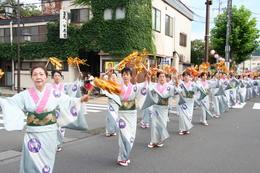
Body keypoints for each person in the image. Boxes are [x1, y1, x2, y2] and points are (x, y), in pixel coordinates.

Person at [0, 66, 89, 173]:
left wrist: (80, 99)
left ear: (46, 77)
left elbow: (68, 101)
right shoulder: (24, 95)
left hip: (49, 133)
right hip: (32, 134)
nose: (38, 77)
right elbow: (9, 103)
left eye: (41, 74)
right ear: (32, 77)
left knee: (46, 163)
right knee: (30, 162)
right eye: (35, 74)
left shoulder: (54, 93)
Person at [147, 71, 175, 148]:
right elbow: (149, 89)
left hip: (164, 108)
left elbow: (175, 92)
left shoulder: (169, 87)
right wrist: (149, 79)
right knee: (154, 124)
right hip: (156, 107)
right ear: (157, 78)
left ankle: (159, 141)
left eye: (163, 76)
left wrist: (177, 83)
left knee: (163, 124)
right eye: (160, 77)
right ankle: (153, 141)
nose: (162, 78)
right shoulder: (154, 86)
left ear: (165, 78)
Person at [51, 70, 66, 152]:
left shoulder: (64, 86)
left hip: (62, 109)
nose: (57, 77)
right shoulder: (49, 86)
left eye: (58, 75)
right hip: (52, 109)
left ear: (61, 77)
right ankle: (53, 143)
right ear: (53, 77)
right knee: (53, 127)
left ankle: (59, 143)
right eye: (55, 75)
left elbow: (75, 86)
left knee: (61, 127)